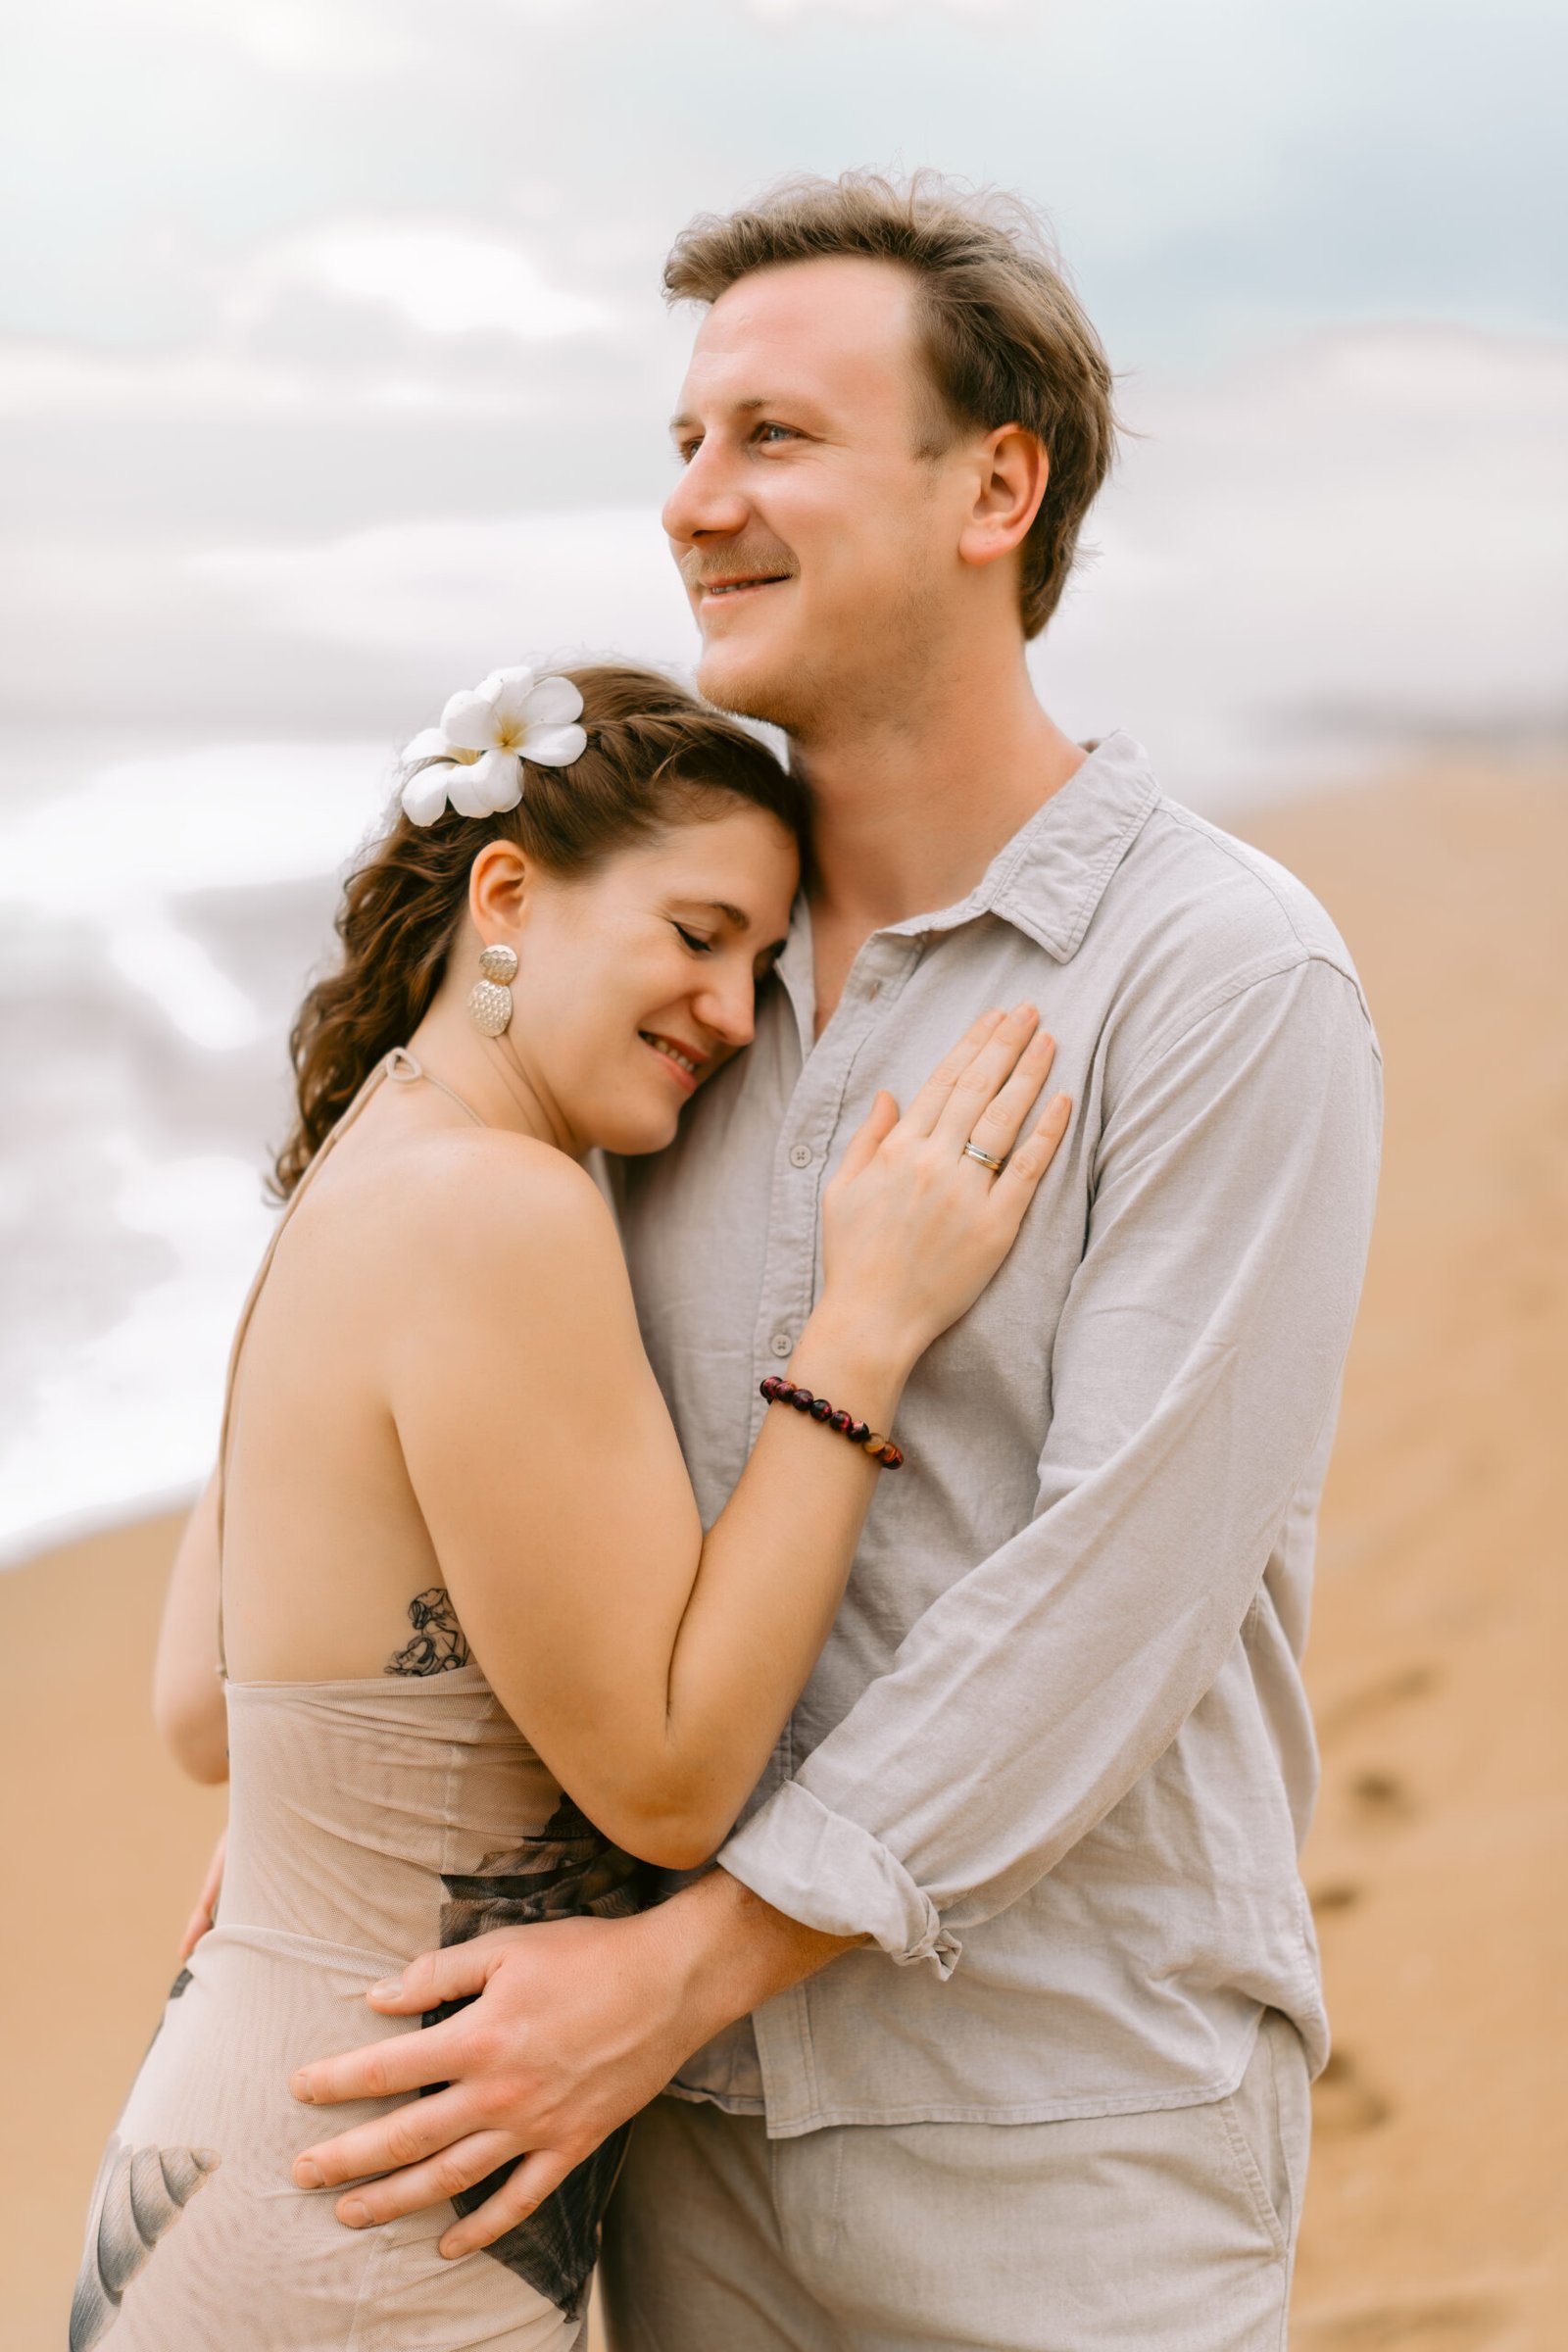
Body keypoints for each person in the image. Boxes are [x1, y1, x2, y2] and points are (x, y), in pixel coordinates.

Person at [285, 175, 1385, 2350]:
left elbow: (1117, 1593)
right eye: (683, 448)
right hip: (663, 2143)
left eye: (770, 438)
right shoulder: (659, 991)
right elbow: (484, 1450)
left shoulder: (1214, 976)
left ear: (995, 485)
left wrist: (670, 1968)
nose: (696, 505)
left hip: (1061, 2139)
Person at [71, 660, 1072, 2351]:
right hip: (366, 2228)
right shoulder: (500, 1214)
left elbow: (202, 1711)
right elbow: (673, 1781)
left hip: (223, 2181)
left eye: (763, 962)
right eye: (696, 936)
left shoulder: (358, 1171)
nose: (738, 1015)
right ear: (510, 894)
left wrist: (376, 1797)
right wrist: (864, 1330)